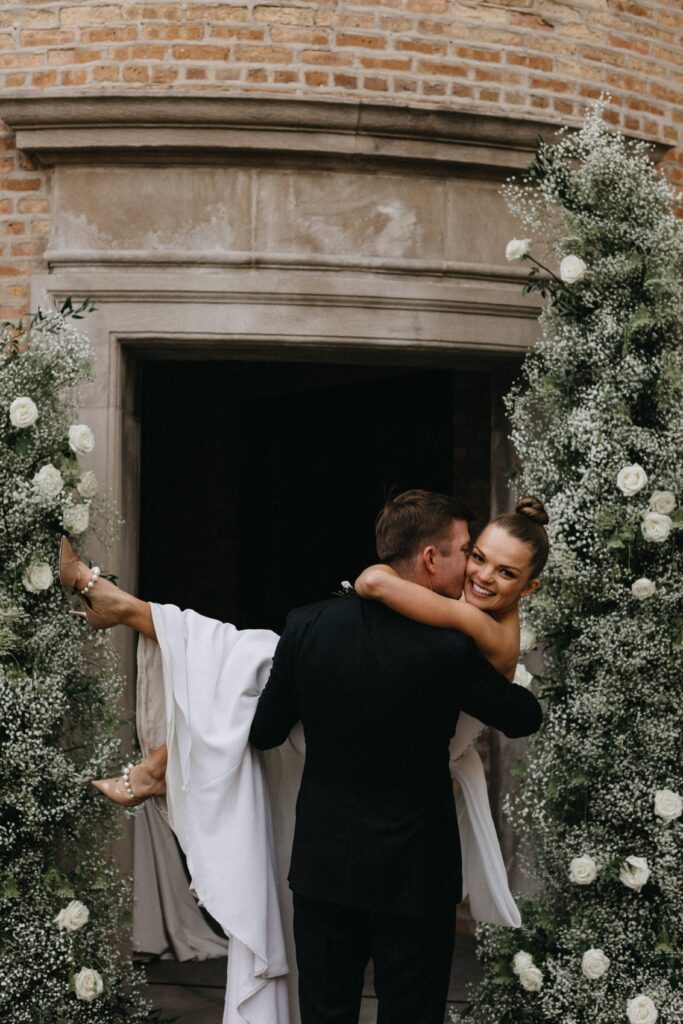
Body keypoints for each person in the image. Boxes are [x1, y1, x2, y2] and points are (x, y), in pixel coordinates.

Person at [59, 489, 545, 1024]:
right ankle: (142, 661)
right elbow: (523, 716)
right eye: (467, 552)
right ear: (431, 559)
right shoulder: (452, 649)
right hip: (415, 875)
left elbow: (264, 733)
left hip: (325, 869)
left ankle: (146, 675)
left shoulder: (310, 624)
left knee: (324, 1014)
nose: (474, 567)